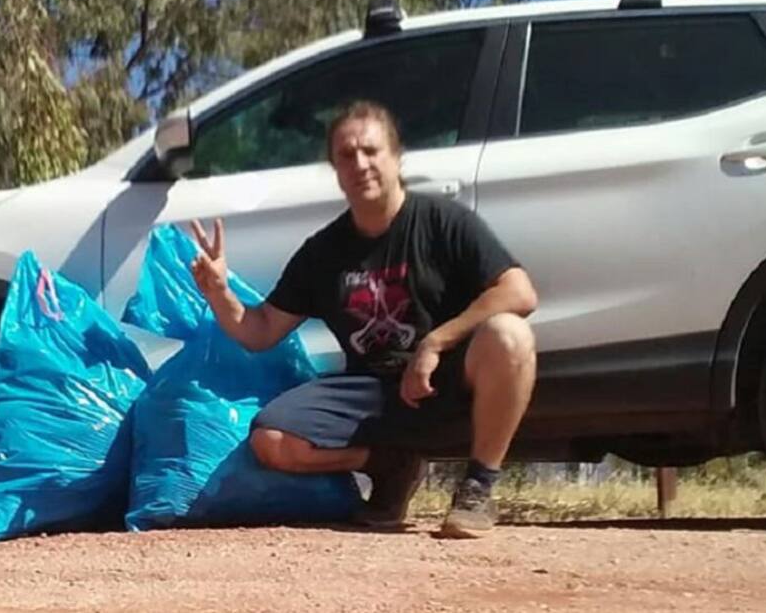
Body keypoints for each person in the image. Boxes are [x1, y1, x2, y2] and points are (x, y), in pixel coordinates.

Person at [189, 100, 537, 538]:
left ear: (396, 157)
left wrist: (435, 343)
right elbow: (259, 332)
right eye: (346, 155)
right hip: (371, 394)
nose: (360, 164)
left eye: (371, 151)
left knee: (511, 335)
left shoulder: (442, 221)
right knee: (271, 440)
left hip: (444, 380)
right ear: (335, 169)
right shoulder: (323, 251)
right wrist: (219, 292)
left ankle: (478, 488)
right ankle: (390, 466)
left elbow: (519, 292)